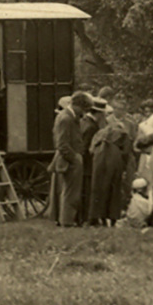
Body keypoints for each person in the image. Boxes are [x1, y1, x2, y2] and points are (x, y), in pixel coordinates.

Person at [88, 95, 132, 226]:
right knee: (114, 188)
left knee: (99, 188)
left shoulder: (100, 131)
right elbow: (126, 151)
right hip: (114, 159)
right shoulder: (123, 131)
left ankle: (98, 217)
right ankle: (112, 218)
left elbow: (91, 148)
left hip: (100, 159)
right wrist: (123, 166)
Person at [51, 91, 93, 227]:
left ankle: (66, 220)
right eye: (84, 109)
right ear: (77, 105)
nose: (85, 113)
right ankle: (67, 222)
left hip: (71, 158)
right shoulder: (66, 119)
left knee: (70, 192)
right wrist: (74, 159)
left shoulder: (68, 117)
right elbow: (62, 144)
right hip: (70, 160)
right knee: (70, 193)